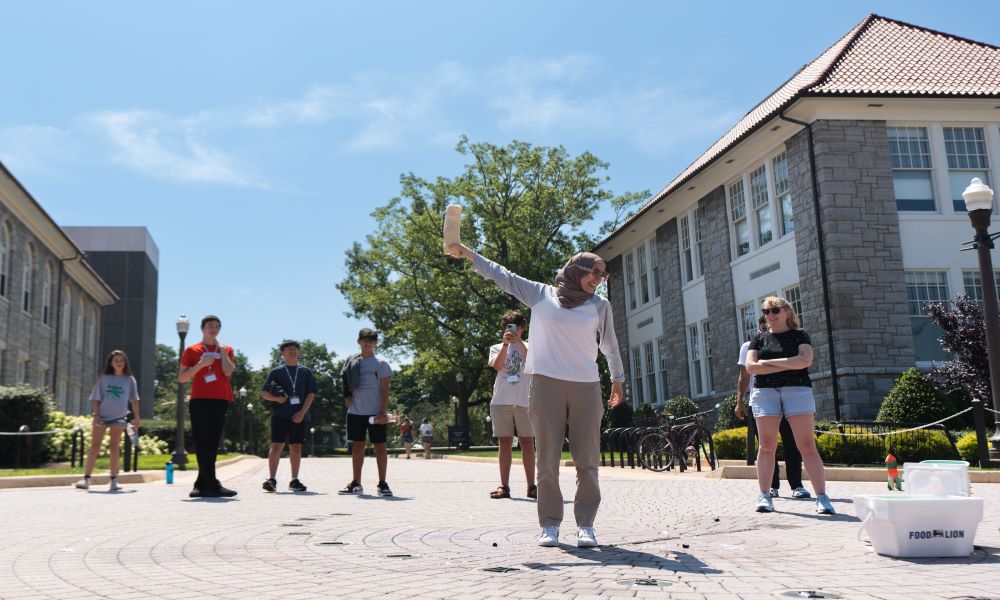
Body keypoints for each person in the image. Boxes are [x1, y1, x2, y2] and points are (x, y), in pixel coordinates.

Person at [449, 242, 624, 549]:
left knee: (587, 460)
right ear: (577, 269)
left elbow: (609, 345)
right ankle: (550, 525)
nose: (599, 279)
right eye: (594, 272)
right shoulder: (541, 295)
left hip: (586, 386)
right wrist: (468, 254)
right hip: (545, 386)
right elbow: (503, 275)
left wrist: (618, 379)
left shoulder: (599, 306)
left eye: (603, 274)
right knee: (547, 459)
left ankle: (585, 525)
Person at [745, 296, 835, 515]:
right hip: (765, 393)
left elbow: (805, 361)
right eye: (766, 312)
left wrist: (767, 363)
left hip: (797, 390)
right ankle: (765, 495)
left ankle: (822, 498)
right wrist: (788, 363)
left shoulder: (800, 336)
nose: (770, 315)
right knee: (766, 445)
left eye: (775, 310)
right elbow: (751, 367)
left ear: (787, 312)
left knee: (806, 445)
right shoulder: (758, 339)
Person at [736, 316, 808, 500]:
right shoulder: (749, 346)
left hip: (786, 399)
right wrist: (740, 401)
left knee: (792, 444)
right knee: (767, 446)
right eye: (761, 328)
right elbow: (744, 376)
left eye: (766, 327)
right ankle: (771, 487)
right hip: (760, 400)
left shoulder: (782, 343)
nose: (764, 331)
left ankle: (797, 485)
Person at [178, 315, 237, 498]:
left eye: (217, 326)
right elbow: (182, 377)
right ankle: (212, 484)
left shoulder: (226, 349)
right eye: (210, 325)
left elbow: (228, 372)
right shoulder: (192, 350)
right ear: (202, 328)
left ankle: (201, 484)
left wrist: (222, 353)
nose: (214, 329)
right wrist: (201, 364)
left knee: (212, 442)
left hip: (221, 399)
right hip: (200, 399)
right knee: (202, 440)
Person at [75, 350, 140, 492]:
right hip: (102, 418)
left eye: (121, 360)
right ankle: (86, 478)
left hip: (119, 418)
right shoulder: (103, 378)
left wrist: (137, 417)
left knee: (114, 448)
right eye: (116, 360)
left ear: (125, 363)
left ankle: (114, 480)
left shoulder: (129, 379)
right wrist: (96, 415)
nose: (119, 363)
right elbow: (96, 398)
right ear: (111, 363)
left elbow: (134, 400)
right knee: (95, 447)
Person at [339, 328, 394, 497]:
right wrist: (346, 395)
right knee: (357, 448)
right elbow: (344, 380)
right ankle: (356, 483)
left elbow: (385, 390)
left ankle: (382, 484)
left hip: (375, 413)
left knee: (380, 448)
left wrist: (383, 412)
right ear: (359, 342)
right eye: (364, 339)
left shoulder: (381, 364)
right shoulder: (351, 361)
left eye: (371, 339)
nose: (367, 342)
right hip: (356, 412)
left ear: (375, 343)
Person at [488, 310, 536, 500]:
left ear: (522, 329)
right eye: (508, 327)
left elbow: (533, 363)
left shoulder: (530, 346)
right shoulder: (496, 347)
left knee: (527, 443)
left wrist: (519, 343)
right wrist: (506, 345)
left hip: (526, 400)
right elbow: (498, 366)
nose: (512, 330)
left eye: (515, 327)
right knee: (505, 443)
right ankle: (504, 486)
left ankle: (532, 486)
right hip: (502, 400)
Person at [260, 340, 318, 493]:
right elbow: (264, 393)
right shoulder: (276, 371)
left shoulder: (305, 372)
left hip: (299, 415)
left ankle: (294, 480)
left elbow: (311, 394)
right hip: (280, 414)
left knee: (296, 447)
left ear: (299, 353)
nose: (292, 352)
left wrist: (302, 413)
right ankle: (272, 479)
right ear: (282, 353)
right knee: (277, 445)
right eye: (288, 349)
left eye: (295, 349)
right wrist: (277, 399)